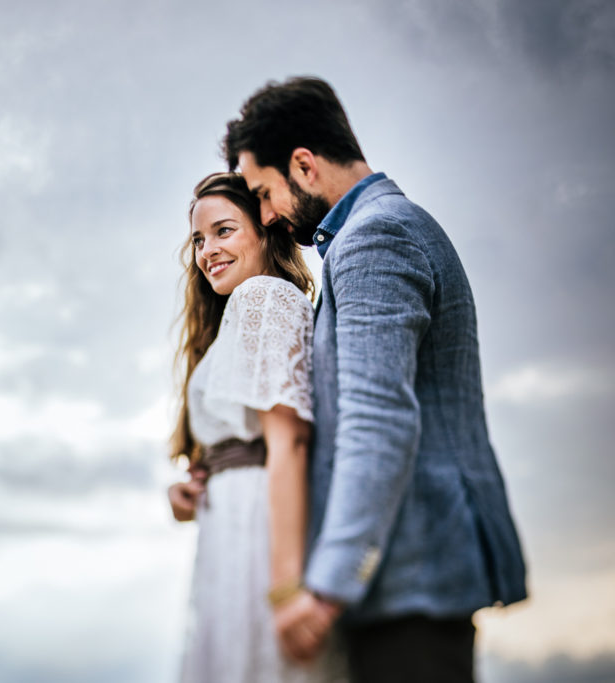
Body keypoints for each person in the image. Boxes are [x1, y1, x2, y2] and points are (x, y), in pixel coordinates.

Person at [217, 77, 528, 682]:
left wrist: (329, 588)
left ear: (303, 165)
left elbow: (377, 419)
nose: (265, 214)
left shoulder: (373, 240)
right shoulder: (383, 229)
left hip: (413, 585)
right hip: (409, 584)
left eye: (263, 192)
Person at [167, 172, 348, 682]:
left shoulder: (264, 297)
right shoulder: (240, 314)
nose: (207, 251)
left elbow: (287, 442)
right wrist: (192, 489)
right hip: (229, 524)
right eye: (199, 239)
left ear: (265, 232)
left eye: (224, 231)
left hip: (257, 528)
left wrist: (287, 587)